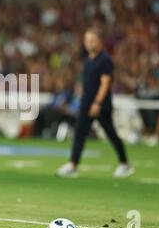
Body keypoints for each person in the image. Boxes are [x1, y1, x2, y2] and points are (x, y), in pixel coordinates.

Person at [56, 27, 134, 178]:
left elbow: (105, 83)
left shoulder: (104, 60)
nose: (89, 43)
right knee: (79, 133)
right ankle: (73, 164)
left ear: (100, 42)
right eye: (87, 40)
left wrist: (97, 103)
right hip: (86, 101)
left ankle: (124, 164)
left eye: (93, 40)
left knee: (110, 133)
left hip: (100, 103)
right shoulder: (87, 60)